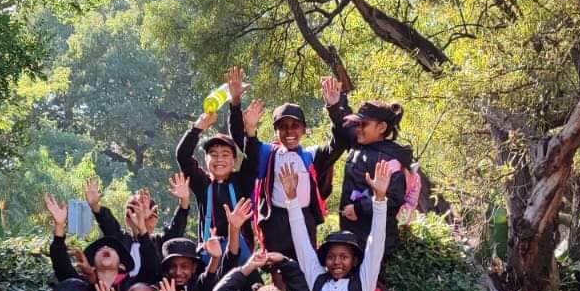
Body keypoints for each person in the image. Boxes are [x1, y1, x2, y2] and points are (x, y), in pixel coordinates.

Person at [227, 65, 350, 256]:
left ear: (303, 129)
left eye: (295, 126)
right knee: (278, 270)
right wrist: (236, 103)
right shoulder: (268, 154)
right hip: (276, 222)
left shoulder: (311, 156)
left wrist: (334, 107)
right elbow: (240, 140)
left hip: (305, 218)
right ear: (276, 131)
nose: (289, 131)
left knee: (306, 272)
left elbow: (341, 142)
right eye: (283, 127)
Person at [279, 156, 393, 291]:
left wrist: (380, 200)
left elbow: (376, 244)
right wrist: (291, 199)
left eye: (344, 257)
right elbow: (302, 243)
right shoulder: (317, 278)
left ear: (355, 261)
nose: (337, 262)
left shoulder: (362, 283)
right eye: (332, 257)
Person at [322, 75, 414, 255]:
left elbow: (393, 198)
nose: (358, 128)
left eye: (364, 124)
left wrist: (359, 209)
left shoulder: (390, 159)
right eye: (358, 123)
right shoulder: (360, 143)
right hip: (354, 238)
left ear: (381, 128)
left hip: (376, 243)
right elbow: (344, 125)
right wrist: (334, 105)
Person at [175, 107, 258, 249]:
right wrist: (197, 128)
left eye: (225, 154)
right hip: (210, 256)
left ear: (234, 160)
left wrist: (250, 130)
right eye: (213, 154)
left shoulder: (242, 180)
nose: (219, 159)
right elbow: (182, 155)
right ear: (206, 159)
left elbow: (253, 156)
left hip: (240, 257)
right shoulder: (203, 183)